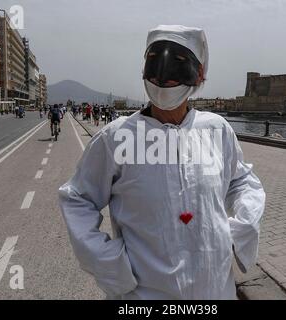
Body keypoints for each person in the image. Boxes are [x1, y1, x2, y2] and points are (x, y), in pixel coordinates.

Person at [59, 25, 266, 300]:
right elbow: (77, 199)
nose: (163, 80)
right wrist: (111, 264)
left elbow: (242, 181)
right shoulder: (117, 138)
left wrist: (240, 231)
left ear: (200, 73)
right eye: (155, 65)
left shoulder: (217, 130)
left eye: (176, 68)